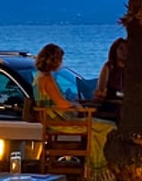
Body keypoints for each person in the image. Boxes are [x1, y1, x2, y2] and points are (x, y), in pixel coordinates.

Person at [33, 43, 116, 181]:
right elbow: (61, 103)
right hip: (61, 122)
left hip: (54, 120)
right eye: (60, 59)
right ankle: (99, 170)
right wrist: (77, 107)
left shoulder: (38, 78)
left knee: (99, 127)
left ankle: (94, 169)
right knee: (108, 127)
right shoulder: (46, 79)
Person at [93, 38, 126, 121]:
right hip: (111, 103)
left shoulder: (132, 69)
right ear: (115, 50)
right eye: (121, 49)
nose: (124, 52)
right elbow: (100, 91)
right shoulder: (109, 67)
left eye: (127, 49)